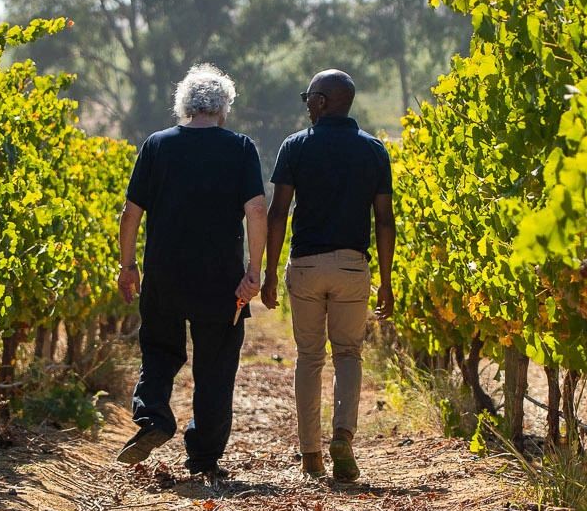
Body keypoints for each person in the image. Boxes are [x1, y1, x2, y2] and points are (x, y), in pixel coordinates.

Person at [114, 65, 267, 481]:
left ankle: (155, 418)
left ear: (184, 104)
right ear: (223, 107)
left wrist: (128, 267)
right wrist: (254, 272)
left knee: (160, 351)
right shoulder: (240, 148)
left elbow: (131, 214)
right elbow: (256, 210)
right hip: (221, 281)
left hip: (164, 275)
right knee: (216, 367)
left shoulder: (157, 146)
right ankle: (203, 457)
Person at [260, 69, 394, 482]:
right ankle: (343, 435)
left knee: (310, 357)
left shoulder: (296, 147)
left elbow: (278, 212)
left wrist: (268, 273)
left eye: (308, 97)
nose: (306, 104)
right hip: (353, 266)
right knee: (349, 353)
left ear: (322, 102)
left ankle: (311, 455)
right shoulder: (373, 150)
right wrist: (386, 280)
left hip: (306, 265)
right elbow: (385, 220)